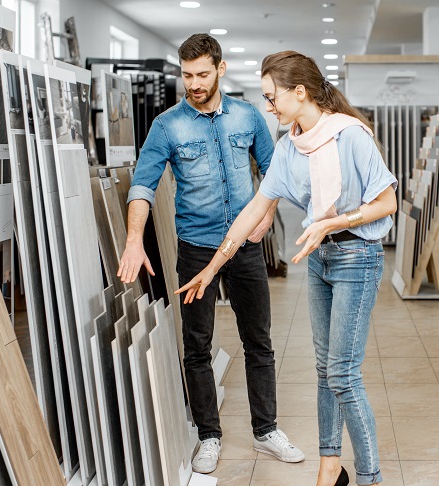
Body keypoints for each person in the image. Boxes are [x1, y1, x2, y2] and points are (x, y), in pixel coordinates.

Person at [176, 50, 397, 486]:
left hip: (358, 256)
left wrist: (335, 221)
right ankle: (330, 467)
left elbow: (388, 202)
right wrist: (211, 269)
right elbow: (251, 211)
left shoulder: (351, 136)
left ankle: (371, 478)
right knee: (323, 368)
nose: (268, 108)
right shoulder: (288, 147)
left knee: (343, 374)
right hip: (321, 258)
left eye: (272, 97)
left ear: (300, 93)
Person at [118, 34, 304, 475]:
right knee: (196, 346)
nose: (194, 83)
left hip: (244, 248)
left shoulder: (249, 116)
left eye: (203, 74)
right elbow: (142, 186)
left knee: (258, 341)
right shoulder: (167, 125)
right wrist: (132, 240)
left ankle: (266, 429)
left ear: (220, 69)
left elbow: (274, 171)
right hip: (196, 250)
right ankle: (209, 435)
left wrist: (266, 215)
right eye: (187, 75)